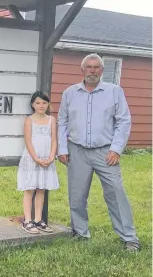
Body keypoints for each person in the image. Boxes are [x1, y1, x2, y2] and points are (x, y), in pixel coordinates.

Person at [57, 53, 139, 251]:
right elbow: (62, 121)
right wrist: (62, 148)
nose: (92, 70)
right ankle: (80, 232)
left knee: (116, 193)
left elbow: (123, 121)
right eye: (89, 67)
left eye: (96, 67)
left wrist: (116, 149)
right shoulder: (70, 93)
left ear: (102, 70)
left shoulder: (114, 92)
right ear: (82, 70)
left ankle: (129, 238)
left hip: (106, 152)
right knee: (76, 195)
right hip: (77, 150)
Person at [17, 91, 59, 234]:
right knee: (30, 189)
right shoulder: (29, 120)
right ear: (32, 105)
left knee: (41, 189)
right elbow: (28, 141)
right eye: (38, 103)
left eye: (44, 103)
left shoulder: (51, 120)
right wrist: (35, 158)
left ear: (48, 104)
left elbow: (54, 140)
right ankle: (27, 220)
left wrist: (52, 156)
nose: (41, 106)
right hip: (32, 158)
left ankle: (38, 219)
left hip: (47, 158)